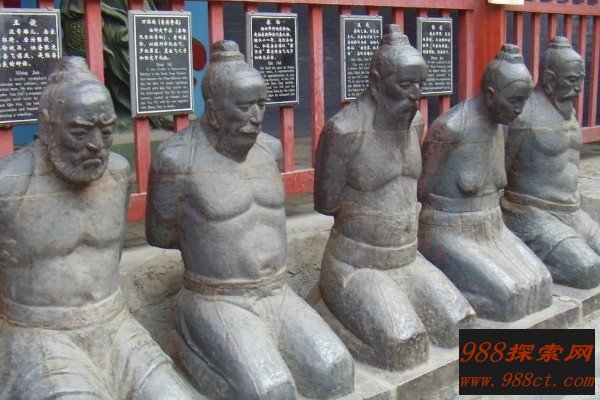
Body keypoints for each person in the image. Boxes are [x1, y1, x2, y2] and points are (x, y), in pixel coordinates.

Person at [146, 40, 354, 400]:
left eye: (260, 104)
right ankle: (187, 347)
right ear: (214, 112)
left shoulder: (269, 150)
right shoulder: (177, 161)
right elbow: (160, 234)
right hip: (217, 297)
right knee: (271, 391)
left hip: (277, 291)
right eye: (244, 107)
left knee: (336, 372)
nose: (256, 116)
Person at [0, 56, 198, 399]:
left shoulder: (116, 174)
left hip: (115, 325)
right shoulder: (10, 185)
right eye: (79, 131)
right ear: (47, 124)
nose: (95, 144)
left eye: (106, 130)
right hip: (40, 333)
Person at [313, 24, 475, 371]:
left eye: (420, 84)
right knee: (405, 344)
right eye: (405, 84)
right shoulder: (345, 131)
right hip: (358, 264)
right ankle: (328, 309)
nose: (416, 94)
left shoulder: (414, 124)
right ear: (376, 83)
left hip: (408, 258)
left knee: (461, 326)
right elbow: (327, 203)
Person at [418, 44, 552, 321]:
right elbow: (422, 189)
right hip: (450, 230)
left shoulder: (501, 127)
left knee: (541, 285)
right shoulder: (451, 129)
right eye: (514, 100)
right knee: (509, 296)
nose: (519, 109)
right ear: (491, 95)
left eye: (524, 101)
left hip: (493, 227)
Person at [502, 36, 600, 289]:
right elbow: (499, 168)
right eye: (571, 80)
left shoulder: (568, 109)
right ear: (548, 79)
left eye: (580, 80)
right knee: (587, 269)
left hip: (572, 211)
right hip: (533, 213)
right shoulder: (523, 114)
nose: (578, 88)